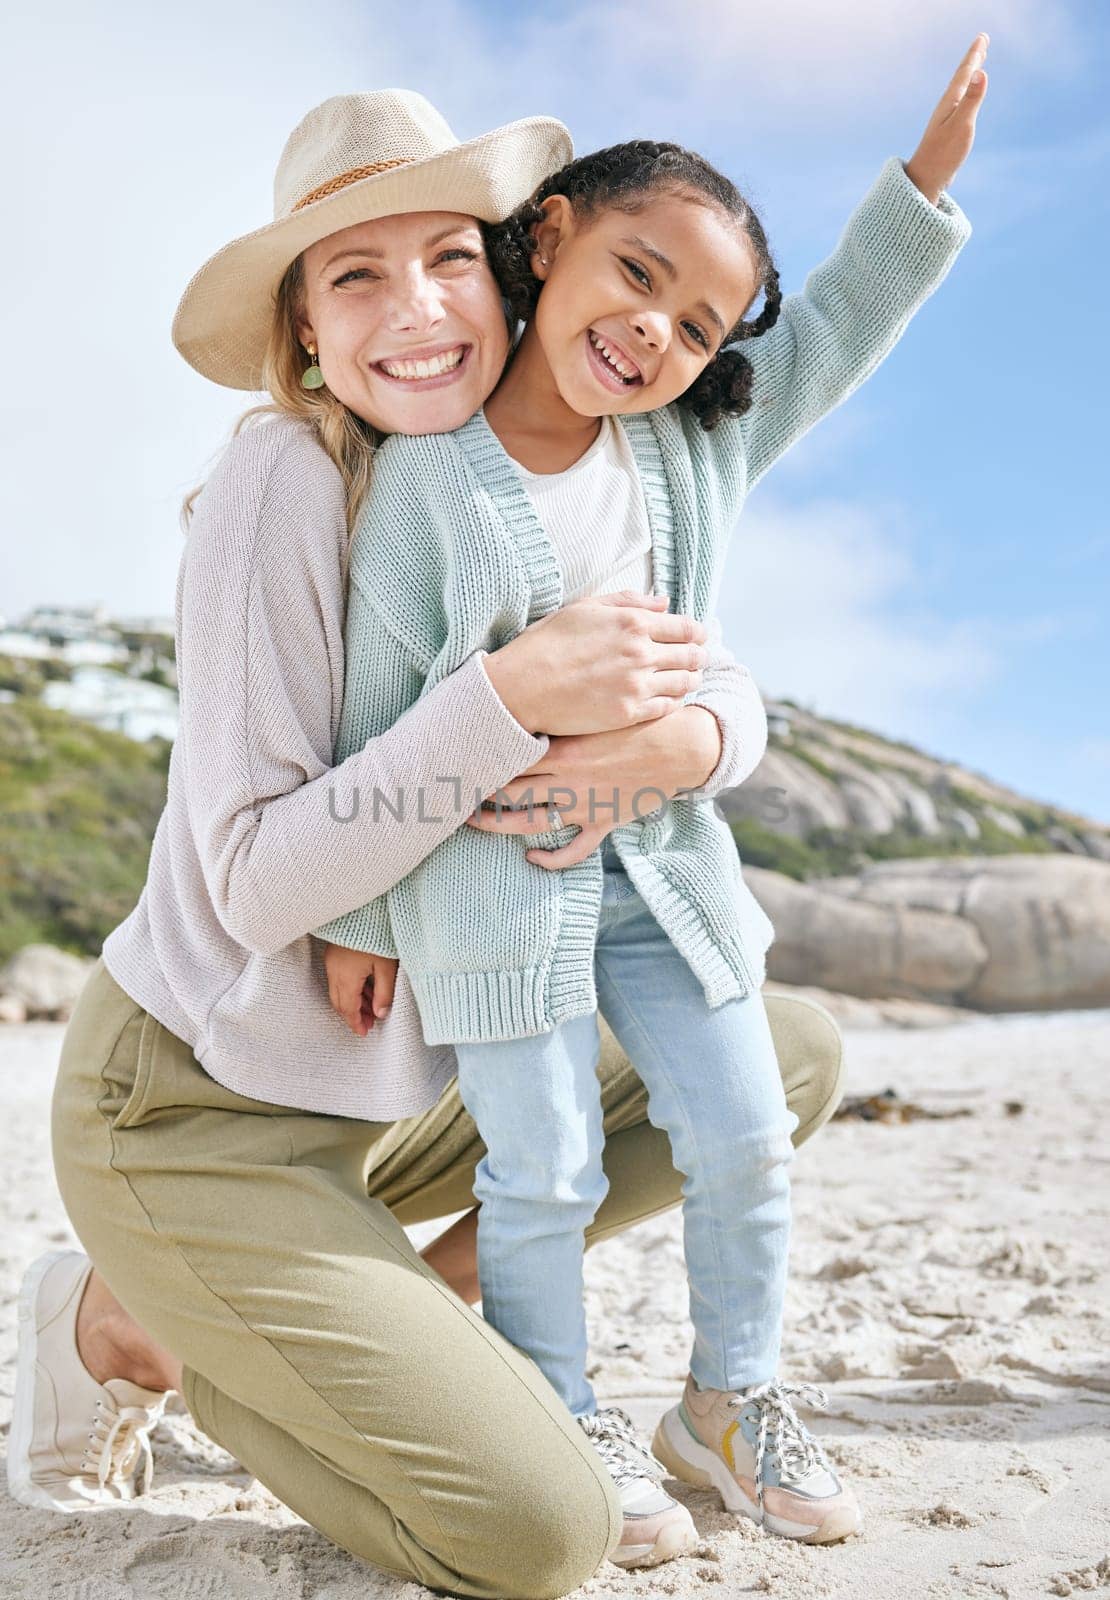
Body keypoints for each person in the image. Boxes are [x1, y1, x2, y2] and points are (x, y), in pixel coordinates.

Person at [10, 89, 847, 1594]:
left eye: (448, 257)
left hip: (386, 1090)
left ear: (512, 268)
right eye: (354, 275)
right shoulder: (280, 480)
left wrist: (687, 740)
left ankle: (290, 1308)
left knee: (781, 1055)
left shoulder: (525, 461)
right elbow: (259, 878)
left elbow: (697, 664)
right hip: (198, 1105)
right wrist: (506, 699)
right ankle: (149, 1318)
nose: (417, 310)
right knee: (537, 1537)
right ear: (306, 331)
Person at [311, 34, 987, 1565]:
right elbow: (369, 709)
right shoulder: (428, 479)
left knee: (743, 1133)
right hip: (488, 886)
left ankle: (727, 1402)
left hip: (667, 869)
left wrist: (923, 189)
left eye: (694, 324)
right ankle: (562, 1405)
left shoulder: (690, 453)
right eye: (635, 275)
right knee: (538, 1166)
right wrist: (355, 917)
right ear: (545, 237)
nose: (653, 333)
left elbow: (832, 330)